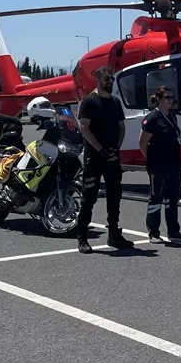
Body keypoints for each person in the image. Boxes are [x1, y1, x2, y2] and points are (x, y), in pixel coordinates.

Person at [76, 66, 134, 253]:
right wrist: (100, 149)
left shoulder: (116, 102)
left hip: (112, 157)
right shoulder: (89, 102)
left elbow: (121, 127)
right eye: (107, 78)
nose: (110, 81)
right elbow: (84, 128)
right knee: (89, 197)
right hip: (94, 157)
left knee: (114, 196)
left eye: (111, 79)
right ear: (98, 80)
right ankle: (82, 238)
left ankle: (114, 235)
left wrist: (116, 148)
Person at [139, 86, 181, 242]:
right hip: (158, 165)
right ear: (158, 99)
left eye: (172, 97)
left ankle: (173, 231)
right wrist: (151, 158)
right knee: (156, 197)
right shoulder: (152, 118)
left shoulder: (172, 117)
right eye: (167, 97)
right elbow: (142, 142)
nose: (170, 100)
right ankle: (153, 232)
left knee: (172, 198)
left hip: (174, 164)